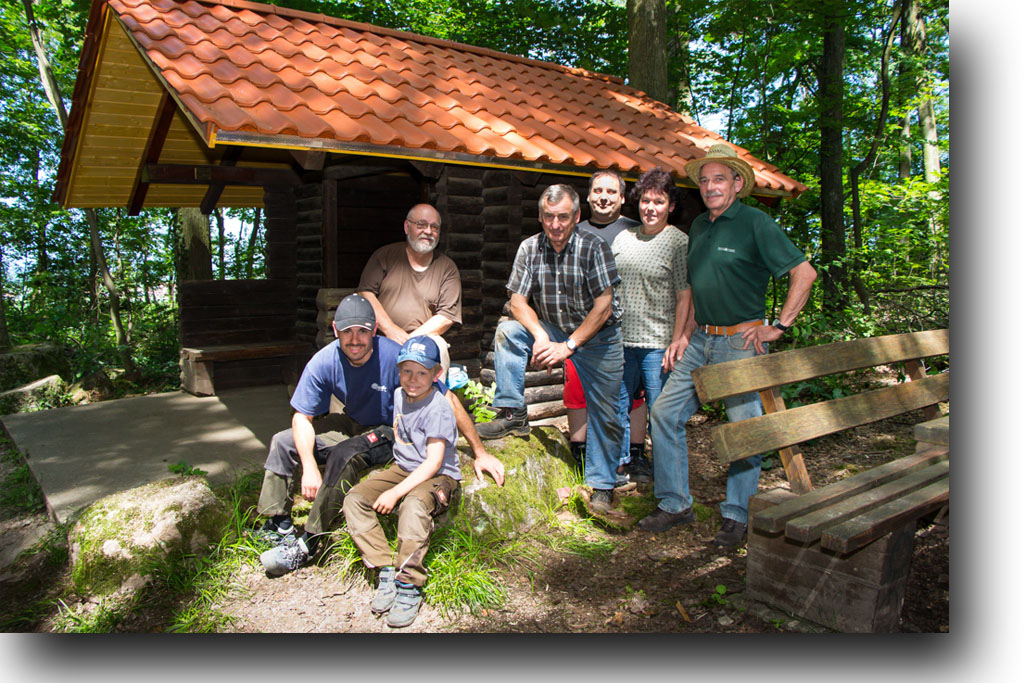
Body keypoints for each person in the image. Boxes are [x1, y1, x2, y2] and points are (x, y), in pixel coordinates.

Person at [638, 143, 817, 547]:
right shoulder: (699, 226)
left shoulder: (756, 223)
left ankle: (736, 515)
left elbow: (804, 274)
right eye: (704, 180)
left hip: (741, 341)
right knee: (664, 413)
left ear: (737, 183)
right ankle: (675, 504)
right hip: (701, 339)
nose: (710, 187)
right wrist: (684, 334)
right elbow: (698, 288)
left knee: (744, 430)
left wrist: (779, 326)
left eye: (719, 178)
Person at [256, 294, 504, 577]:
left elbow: (446, 398)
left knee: (345, 454)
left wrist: (480, 452)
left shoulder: (394, 355)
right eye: (347, 331)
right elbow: (302, 416)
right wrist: (310, 467)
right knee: (283, 440)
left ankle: (312, 540)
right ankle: (277, 523)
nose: (355, 339)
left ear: (375, 330)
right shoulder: (324, 361)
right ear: (335, 332)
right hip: (350, 421)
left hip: (387, 430)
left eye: (363, 331)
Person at [477, 184, 625, 513]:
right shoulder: (530, 248)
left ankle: (602, 484)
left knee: (606, 411)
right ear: (540, 217)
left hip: (599, 336)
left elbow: (604, 306)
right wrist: (540, 335)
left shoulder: (594, 247)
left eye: (562, 217)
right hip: (555, 326)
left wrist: (569, 346)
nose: (555, 225)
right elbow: (517, 302)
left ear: (575, 217)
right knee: (509, 331)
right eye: (548, 217)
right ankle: (512, 413)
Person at [342, 335, 459, 628]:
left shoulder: (438, 407)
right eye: (406, 371)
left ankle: (409, 583)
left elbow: (433, 462)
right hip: (404, 467)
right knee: (354, 499)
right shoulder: (397, 395)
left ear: (437, 374)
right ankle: (384, 568)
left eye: (422, 372)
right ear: (398, 372)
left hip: (438, 474)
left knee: (413, 505)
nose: (413, 379)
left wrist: (395, 493)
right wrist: (392, 481)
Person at [564, 170, 649, 484]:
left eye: (611, 192)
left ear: (622, 197)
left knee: (632, 393)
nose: (603, 197)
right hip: (582, 326)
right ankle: (581, 450)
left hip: (630, 327)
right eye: (597, 191)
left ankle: (636, 452)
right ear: (587, 196)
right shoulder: (574, 230)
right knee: (579, 388)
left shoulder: (637, 231)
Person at [610, 167, 692, 485]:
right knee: (618, 405)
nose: (650, 208)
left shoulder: (678, 242)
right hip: (620, 341)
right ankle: (618, 468)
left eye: (659, 202)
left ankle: (668, 480)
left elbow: (686, 296)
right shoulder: (623, 238)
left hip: (658, 344)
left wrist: (677, 341)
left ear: (670, 206)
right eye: (645, 200)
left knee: (661, 413)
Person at [357, 203, 462, 373]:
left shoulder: (447, 267)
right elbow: (365, 293)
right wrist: (390, 329)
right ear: (407, 227)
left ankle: (435, 398)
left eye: (434, 227)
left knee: (440, 348)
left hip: (423, 340)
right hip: (381, 335)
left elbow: (446, 316)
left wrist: (410, 340)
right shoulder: (385, 256)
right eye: (421, 224)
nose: (428, 231)